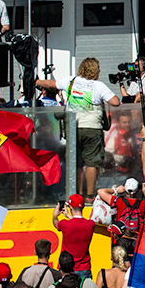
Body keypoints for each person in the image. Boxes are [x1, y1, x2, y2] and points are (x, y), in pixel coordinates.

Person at [36, 59, 119, 196]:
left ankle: (77, 194)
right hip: (92, 127)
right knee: (92, 162)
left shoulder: (71, 81)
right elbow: (115, 102)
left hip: (73, 127)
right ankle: (90, 195)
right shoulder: (98, 85)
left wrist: (37, 82)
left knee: (77, 162)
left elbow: (52, 84)